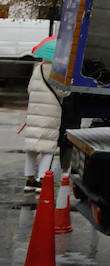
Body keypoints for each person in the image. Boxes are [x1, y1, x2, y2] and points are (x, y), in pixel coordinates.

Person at [21, 57, 61, 194]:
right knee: (47, 147)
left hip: (35, 110)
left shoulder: (37, 68)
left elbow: (30, 89)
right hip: (51, 112)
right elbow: (63, 92)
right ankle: (42, 179)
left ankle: (30, 180)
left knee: (32, 146)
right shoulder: (59, 70)